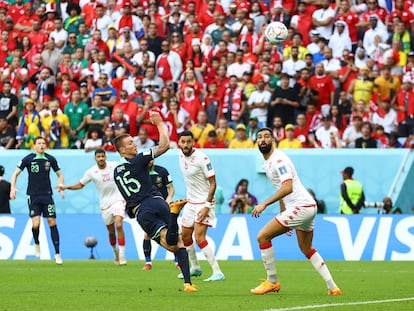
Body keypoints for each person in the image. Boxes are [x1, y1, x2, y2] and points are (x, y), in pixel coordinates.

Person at [250, 127, 341, 295]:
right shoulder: (268, 162)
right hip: (307, 207)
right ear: (256, 141)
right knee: (306, 248)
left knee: (262, 237)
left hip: (301, 207)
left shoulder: (278, 161)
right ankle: (333, 287)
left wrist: (264, 204)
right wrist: (283, 214)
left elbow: (287, 187)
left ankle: (272, 282)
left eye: (266, 137)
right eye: (259, 137)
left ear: (273, 140)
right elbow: (283, 191)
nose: (263, 140)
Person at [113, 111, 197, 293]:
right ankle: (188, 284)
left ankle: (174, 215)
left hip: (144, 210)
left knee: (172, 245)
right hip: (158, 201)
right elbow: (165, 145)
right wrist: (159, 123)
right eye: (129, 144)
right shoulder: (138, 161)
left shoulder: (117, 171)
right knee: (178, 243)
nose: (134, 144)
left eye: (133, 141)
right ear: (121, 150)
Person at [60, 149, 127, 265]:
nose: (101, 158)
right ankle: (115, 251)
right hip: (105, 204)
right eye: (98, 157)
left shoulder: (114, 165)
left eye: (102, 156)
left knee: (119, 224)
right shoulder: (91, 172)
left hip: (118, 199)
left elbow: (128, 167)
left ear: (105, 157)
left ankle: (122, 255)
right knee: (111, 232)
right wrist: (66, 187)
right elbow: (80, 185)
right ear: (95, 158)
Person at [177, 130, 225, 282]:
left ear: (193, 142)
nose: (185, 145)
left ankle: (218, 272)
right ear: (179, 143)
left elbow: (213, 184)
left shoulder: (202, 158)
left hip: (205, 202)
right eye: (183, 141)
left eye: (188, 142)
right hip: (191, 202)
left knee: (199, 237)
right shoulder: (180, 155)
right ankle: (196, 268)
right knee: (184, 236)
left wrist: (206, 205)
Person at [10, 136, 64, 264]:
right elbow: (15, 174)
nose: (41, 145)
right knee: (36, 224)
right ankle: (37, 242)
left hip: (47, 196)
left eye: (43, 143)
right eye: (39, 143)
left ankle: (57, 253)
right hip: (33, 196)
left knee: (52, 222)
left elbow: (60, 174)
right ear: (34, 146)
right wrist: (12, 188)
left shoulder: (50, 159)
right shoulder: (28, 159)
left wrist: (61, 185)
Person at [142, 160, 175, 270]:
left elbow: (171, 189)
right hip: (149, 208)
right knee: (147, 234)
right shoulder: (141, 173)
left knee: (172, 232)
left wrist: (168, 200)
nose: (149, 162)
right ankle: (148, 263)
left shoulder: (162, 171)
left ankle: (177, 262)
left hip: (164, 206)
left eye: (151, 159)